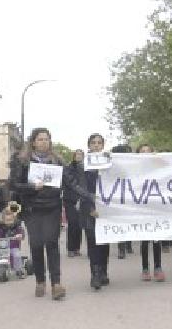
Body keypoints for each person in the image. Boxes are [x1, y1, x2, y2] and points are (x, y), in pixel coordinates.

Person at [9, 128, 66, 300]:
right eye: (40, 139)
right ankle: (40, 281)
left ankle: (56, 283)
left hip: (52, 207)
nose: (44, 142)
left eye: (47, 139)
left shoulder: (57, 161)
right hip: (32, 209)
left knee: (51, 243)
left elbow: (66, 182)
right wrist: (32, 187)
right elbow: (14, 185)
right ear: (33, 142)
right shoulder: (22, 161)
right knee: (36, 244)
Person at [69, 133, 113, 290]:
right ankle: (94, 275)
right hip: (88, 208)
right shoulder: (83, 165)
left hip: (106, 208)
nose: (96, 145)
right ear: (89, 145)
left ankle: (103, 272)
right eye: (93, 143)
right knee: (93, 241)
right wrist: (91, 202)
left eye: (99, 143)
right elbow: (76, 185)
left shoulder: (109, 163)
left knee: (104, 242)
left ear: (103, 145)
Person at [136, 144, 166, 281]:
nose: (145, 153)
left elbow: (170, 168)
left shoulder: (157, 167)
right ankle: (145, 268)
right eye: (142, 151)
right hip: (142, 208)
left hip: (155, 207)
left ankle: (158, 267)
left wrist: (159, 158)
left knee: (156, 239)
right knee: (144, 240)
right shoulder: (134, 169)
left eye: (148, 151)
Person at [0, 201, 25, 279]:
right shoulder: (0, 228)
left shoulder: (17, 228)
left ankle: (19, 270)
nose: (9, 222)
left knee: (16, 255)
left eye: (11, 220)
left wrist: (19, 236)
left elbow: (21, 234)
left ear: (14, 219)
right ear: (3, 219)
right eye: (7, 220)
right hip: (1, 248)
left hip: (13, 247)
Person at [62, 149, 84, 257]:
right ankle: (70, 248)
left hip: (82, 199)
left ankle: (77, 248)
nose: (79, 156)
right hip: (70, 199)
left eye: (81, 155)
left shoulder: (85, 168)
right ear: (74, 156)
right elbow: (69, 182)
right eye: (77, 154)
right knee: (72, 223)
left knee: (79, 224)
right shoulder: (68, 168)